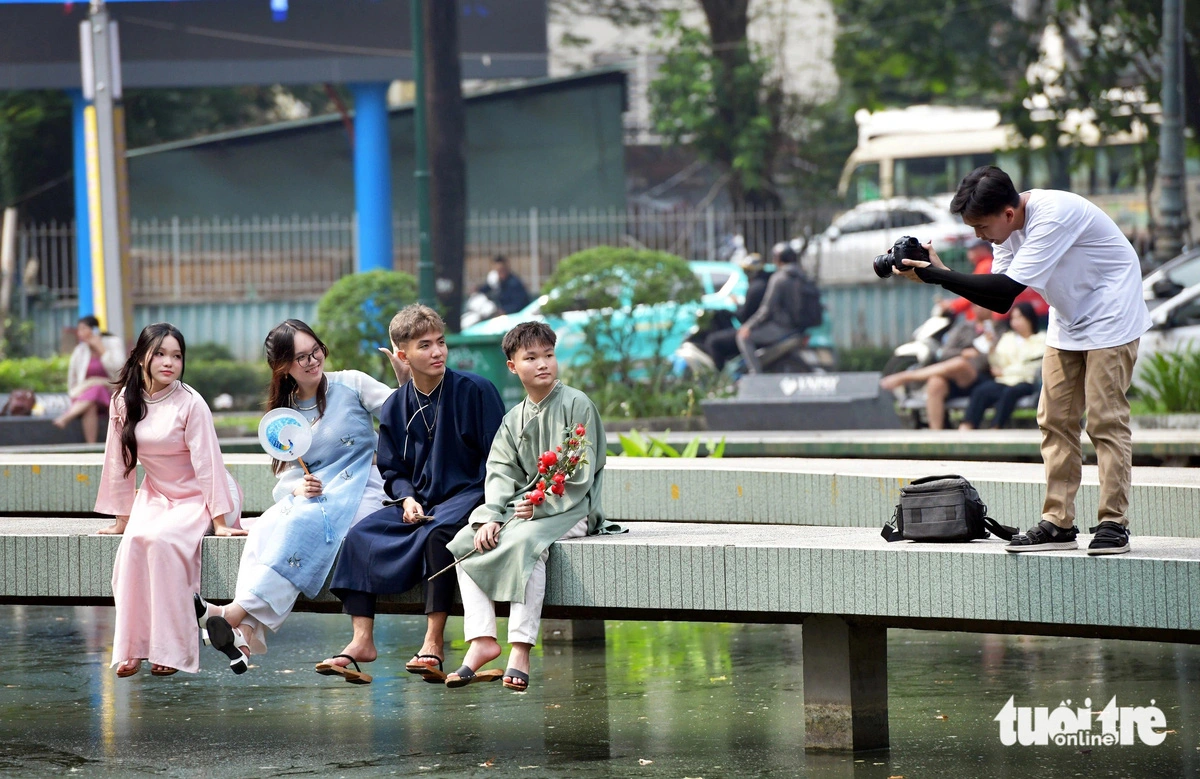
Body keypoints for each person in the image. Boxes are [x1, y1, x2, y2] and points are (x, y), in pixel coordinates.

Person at [892, 165, 1151, 555]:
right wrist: (940, 274)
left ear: (1008, 214)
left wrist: (941, 276)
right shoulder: (1007, 231)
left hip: (1112, 313)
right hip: (1069, 317)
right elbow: (995, 299)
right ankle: (1058, 523)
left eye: (981, 227)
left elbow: (1004, 290)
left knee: (1104, 419)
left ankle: (1114, 524)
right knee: (1054, 419)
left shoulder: (1053, 216)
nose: (979, 236)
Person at [196, 319, 398, 674]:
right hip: (315, 492)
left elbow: (405, 413)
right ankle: (242, 632)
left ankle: (233, 614)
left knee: (303, 522)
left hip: (362, 486)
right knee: (267, 525)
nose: (312, 361)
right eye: (300, 357)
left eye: (315, 351)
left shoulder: (352, 383)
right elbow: (285, 475)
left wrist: (403, 378)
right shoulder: (285, 414)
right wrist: (296, 486)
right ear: (283, 367)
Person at [321, 305, 505, 684]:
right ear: (403, 356)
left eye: (441, 342)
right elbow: (392, 468)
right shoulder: (395, 405)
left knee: (440, 533)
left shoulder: (476, 391)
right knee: (360, 536)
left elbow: (498, 460)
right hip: (419, 499)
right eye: (425, 346)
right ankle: (361, 640)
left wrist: (491, 506)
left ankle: (433, 641)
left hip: (471, 493)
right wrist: (405, 498)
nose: (437, 352)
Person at [442, 322, 624, 691]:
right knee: (467, 542)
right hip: (523, 509)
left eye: (549, 355)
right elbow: (499, 471)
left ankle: (521, 648)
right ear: (512, 366)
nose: (543, 364)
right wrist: (493, 516)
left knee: (527, 544)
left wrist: (538, 507)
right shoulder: (513, 419)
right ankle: (481, 640)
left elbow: (580, 471)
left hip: (572, 508)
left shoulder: (577, 405)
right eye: (531, 358)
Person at [94, 322, 244, 678]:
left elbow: (209, 464)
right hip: (157, 494)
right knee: (133, 546)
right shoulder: (123, 401)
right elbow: (119, 464)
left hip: (199, 495)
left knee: (164, 543)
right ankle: (132, 647)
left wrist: (221, 522)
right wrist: (122, 520)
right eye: (160, 353)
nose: (169, 362)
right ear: (141, 356)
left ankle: (172, 650)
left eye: (176, 356)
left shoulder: (191, 403)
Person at [879, 304, 995, 430]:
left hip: (981, 377)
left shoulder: (997, 329)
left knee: (960, 364)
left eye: (984, 305)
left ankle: (907, 376)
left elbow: (997, 358)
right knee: (935, 383)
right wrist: (963, 353)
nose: (980, 308)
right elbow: (944, 353)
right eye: (976, 306)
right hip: (953, 376)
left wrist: (988, 346)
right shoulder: (963, 328)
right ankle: (936, 436)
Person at [736, 243, 822, 373]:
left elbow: (766, 310)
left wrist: (748, 326)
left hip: (782, 329)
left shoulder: (780, 278)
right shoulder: (804, 276)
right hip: (801, 329)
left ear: (778, 259)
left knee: (743, 337)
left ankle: (755, 374)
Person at [960, 302, 1047, 430]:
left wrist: (1005, 372)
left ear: (1029, 318)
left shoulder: (1041, 339)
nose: (1015, 322)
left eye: (1019, 318)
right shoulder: (1008, 338)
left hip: (1026, 382)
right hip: (1004, 381)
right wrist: (991, 348)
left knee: (1009, 393)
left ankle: (995, 427)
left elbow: (1032, 366)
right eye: (1013, 318)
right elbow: (997, 362)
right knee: (981, 391)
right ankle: (966, 426)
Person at [939, 240, 1049, 323]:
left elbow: (973, 291)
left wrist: (952, 306)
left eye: (973, 249)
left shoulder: (986, 265)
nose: (969, 253)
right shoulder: (996, 263)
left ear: (983, 249)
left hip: (1012, 314)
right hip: (1035, 309)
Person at [55, 315, 126, 443]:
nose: (80, 333)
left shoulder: (113, 343)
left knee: (98, 387)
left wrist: (101, 349)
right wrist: (75, 393)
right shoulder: (80, 350)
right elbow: (73, 377)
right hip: (85, 396)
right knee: (91, 405)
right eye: (79, 330)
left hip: (110, 394)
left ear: (94, 330)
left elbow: (119, 370)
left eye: (83, 329)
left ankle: (67, 416)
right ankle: (91, 446)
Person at [704, 253, 771, 370]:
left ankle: (722, 381)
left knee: (713, 342)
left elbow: (745, 316)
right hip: (764, 328)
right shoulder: (766, 284)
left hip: (757, 331)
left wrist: (734, 308)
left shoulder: (756, 288)